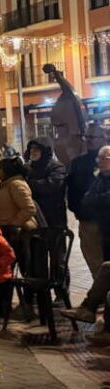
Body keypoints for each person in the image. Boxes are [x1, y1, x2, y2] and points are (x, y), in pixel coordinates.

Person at [62, 148, 110, 345]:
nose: (99, 161)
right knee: (106, 271)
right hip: (105, 232)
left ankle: (90, 310)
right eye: (99, 157)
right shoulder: (99, 179)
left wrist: (99, 201)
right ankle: (100, 322)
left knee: (106, 270)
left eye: (104, 158)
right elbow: (87, 201)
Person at [67, 124, 109, 275]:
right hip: (88, 223)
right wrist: (80, 210)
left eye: (93, 137)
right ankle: (101, 297)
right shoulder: (79, 163)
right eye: (87, 137)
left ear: (104, 137)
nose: (88, 140)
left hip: (107, 222)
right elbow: (72, 192)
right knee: (96, 266)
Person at [0, 157, 38, 256]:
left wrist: (14, 224)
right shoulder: (6, 184)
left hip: (19, 233)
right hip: (7, 231)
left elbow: (29, 208)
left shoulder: (16, 184)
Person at [25, 136, 67, 234]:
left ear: (44, 151)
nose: (33, 151)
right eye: (31, 148)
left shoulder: (57, 167)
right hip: (35, 217)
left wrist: (27, 184)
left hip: (54, 217)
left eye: (36, 149)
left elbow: (50, 186)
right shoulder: (29, 168)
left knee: (56, 247)